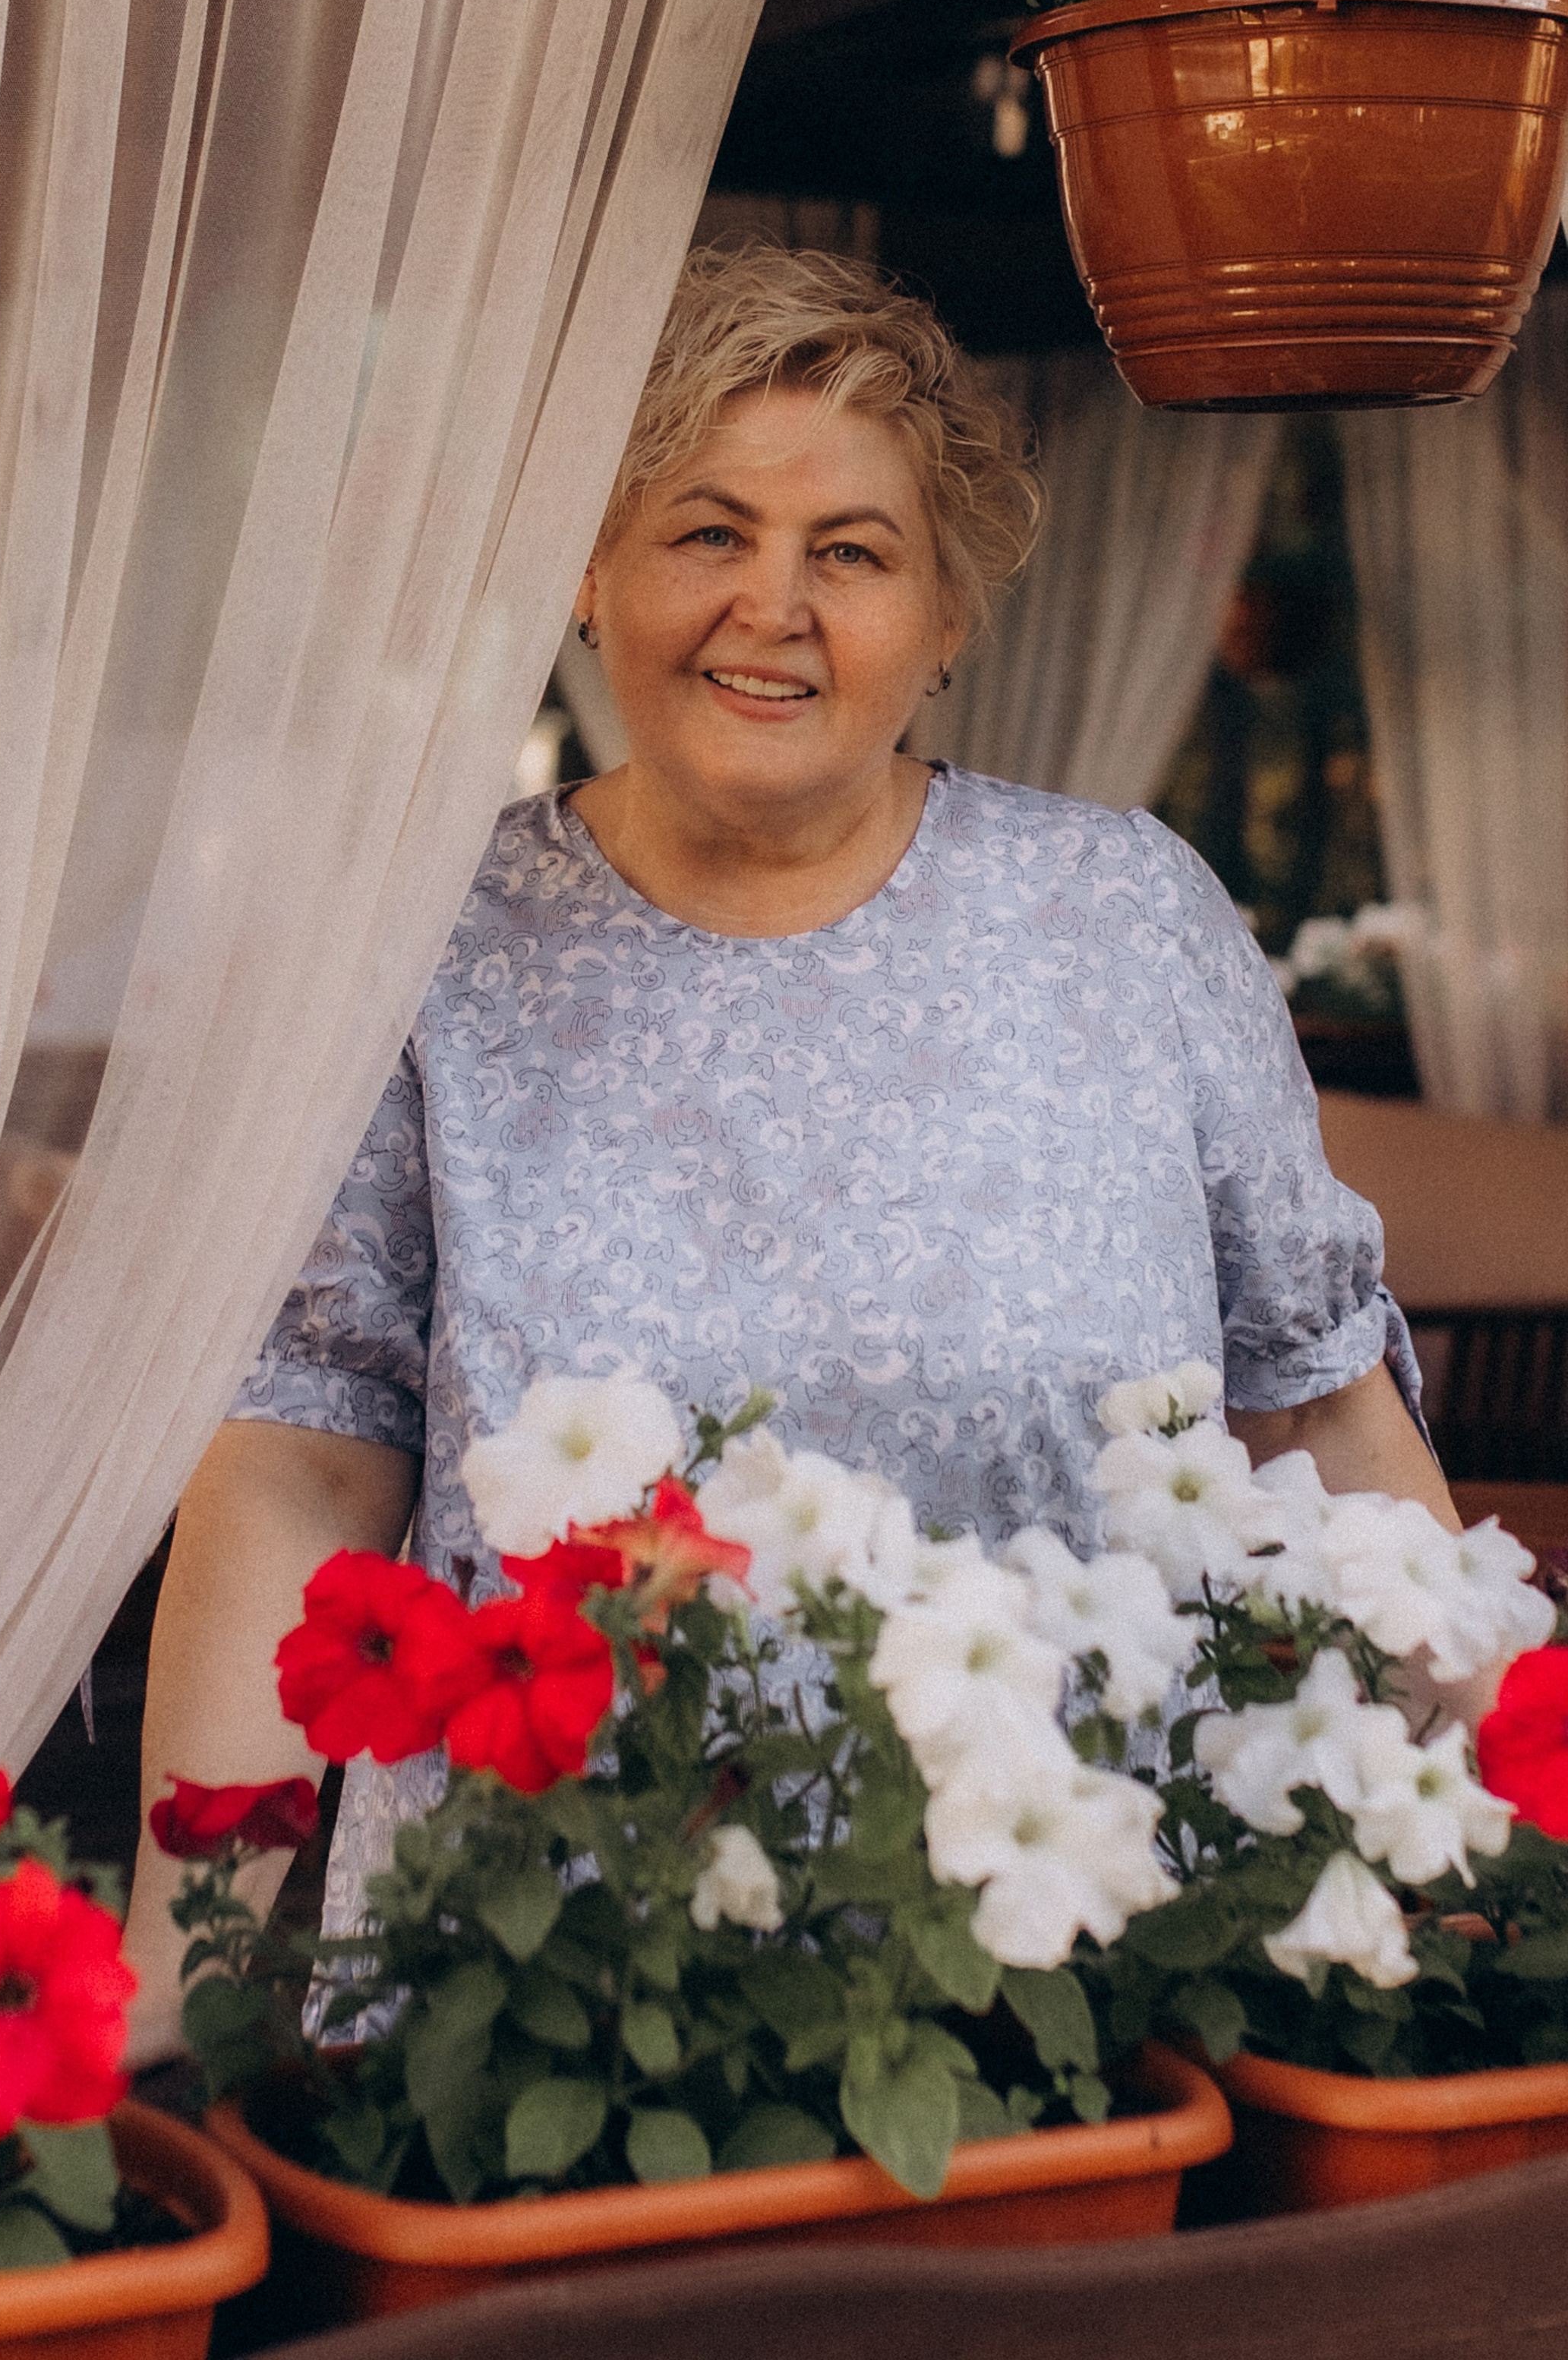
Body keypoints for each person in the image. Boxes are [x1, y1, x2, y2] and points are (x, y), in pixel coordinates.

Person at [120, 242, 1456, 2059]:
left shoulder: (1120, 917)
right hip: (553, 2010)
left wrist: (1501, 1851)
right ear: (589, 577)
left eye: (850, 551)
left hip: (1082, 1979)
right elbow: (298, 1470)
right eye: (704, 532)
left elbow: (1321, 1412)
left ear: (944, 617)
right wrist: (175, 2010)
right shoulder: (419, 943)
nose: (774, 605)